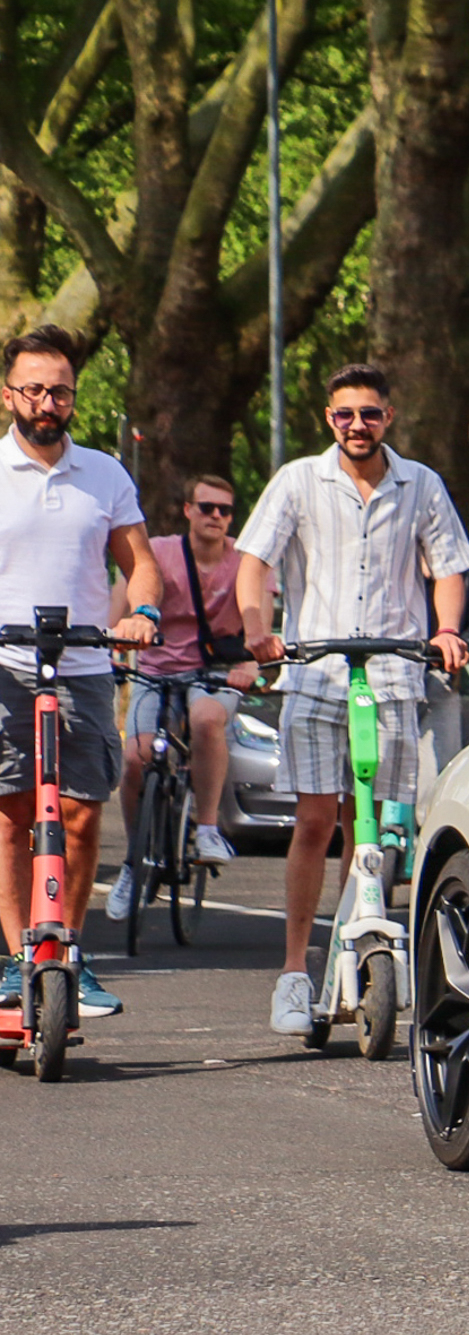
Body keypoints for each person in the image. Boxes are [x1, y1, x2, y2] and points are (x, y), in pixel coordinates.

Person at [238, 361, 469, 1038]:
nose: (358, 426)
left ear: (388, 417)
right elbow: (255, 561)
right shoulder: (298, 482)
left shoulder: (420, 484)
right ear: (328, 419)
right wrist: (258, 629)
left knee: (370, 823)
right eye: (345, 414)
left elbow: (450, 566)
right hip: (315, 671)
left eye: (370, 413)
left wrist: (448, 629)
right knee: (317, 820)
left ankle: (358, 935)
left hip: (394, 673)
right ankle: (293, 970)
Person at [0, 326, 164, 1017]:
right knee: (9, 819)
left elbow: (140, 562)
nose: (47, 402)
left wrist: (144, 610)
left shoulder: (104, 473)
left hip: (87, 663)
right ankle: (15, 960)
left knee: (80, 817)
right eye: (34, 388)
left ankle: (66, 950)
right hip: (5, 662)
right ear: (9, 393)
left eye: (59, 391)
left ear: (73, 398)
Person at [106, 473, 261, 921]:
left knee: (209, 720)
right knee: (135, 758)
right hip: (156, 669)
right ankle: (134, 862)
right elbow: (121, 604)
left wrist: (249, 663)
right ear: (189, 510)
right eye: (207, 507)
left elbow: (257, 616)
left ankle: (208, 828)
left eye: (225, 511)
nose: (216, 517)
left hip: (214, 672)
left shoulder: (244, 561)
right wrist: (109, 646)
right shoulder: (159, 551)